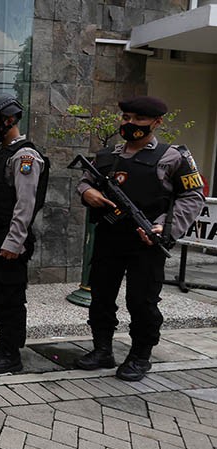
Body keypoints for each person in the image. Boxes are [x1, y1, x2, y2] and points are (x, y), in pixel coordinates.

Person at [75, 96, 205, 381]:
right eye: (126, 118)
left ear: (157, 123)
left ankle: (140, 355)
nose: (130, 124)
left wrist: (164, 228)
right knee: (101, 296)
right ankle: (102, 349)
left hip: (146, 242)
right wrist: (87, 192)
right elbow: (86, 180)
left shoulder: (173, 157)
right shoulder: (107, 156)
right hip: (110, 238)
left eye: (138, 119)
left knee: (142, 301)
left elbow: (193, 197)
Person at [0, 93, 48, 374]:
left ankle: (11, 353)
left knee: (10, 294)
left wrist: (14, 241)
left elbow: (25, 205)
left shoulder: (25, 156)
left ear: (9, 119)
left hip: (10, 235)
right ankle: (3, 341)